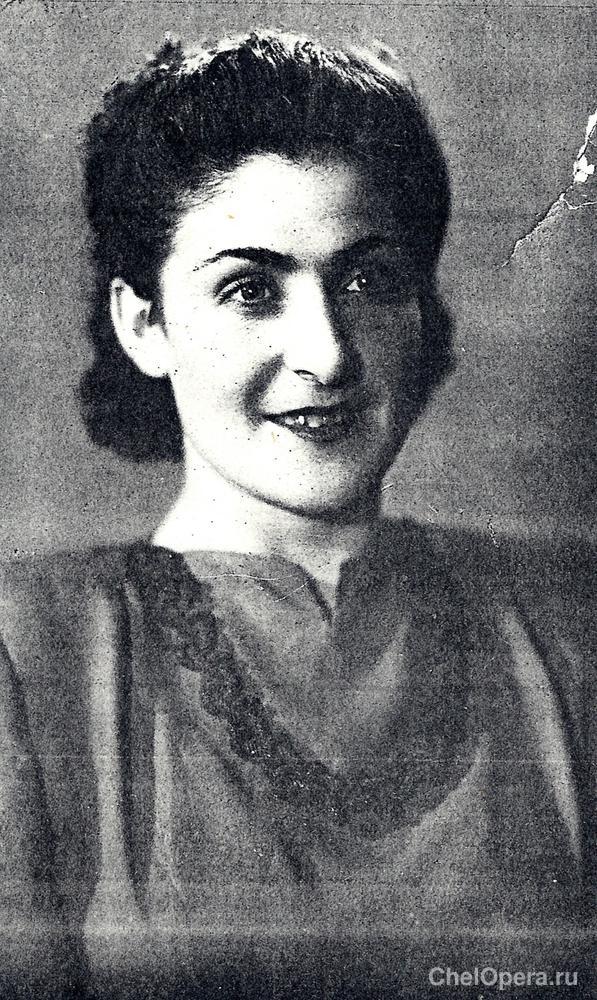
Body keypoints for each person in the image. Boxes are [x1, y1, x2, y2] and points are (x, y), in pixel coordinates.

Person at [0, 31, 593, 1000]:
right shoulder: (30, 655)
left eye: (367, 279)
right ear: (142, 323)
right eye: (250, 290)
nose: (326, 352)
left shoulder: (569, 617)